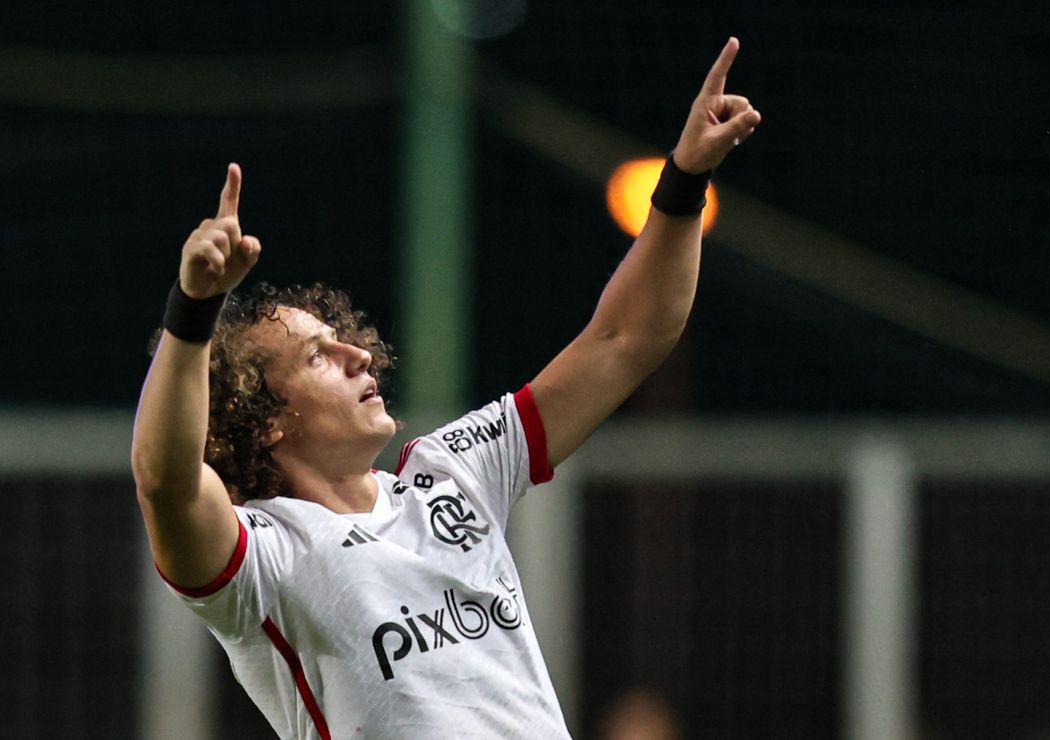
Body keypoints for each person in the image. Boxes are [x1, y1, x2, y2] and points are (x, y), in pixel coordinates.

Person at [131, 37, 760, 739]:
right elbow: (166, 482)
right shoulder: (266, 557)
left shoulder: (454, 469)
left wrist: (684, 180)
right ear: (267, 417)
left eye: (344, 339)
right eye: (317, 357)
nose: (357, 355)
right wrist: (193, 311)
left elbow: (626, 340)